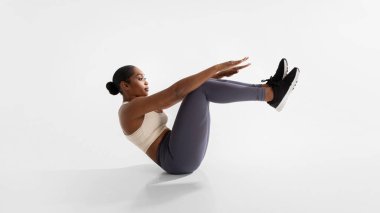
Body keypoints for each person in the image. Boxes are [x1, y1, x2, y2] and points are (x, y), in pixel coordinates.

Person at [106, 57, 300, 174]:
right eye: (140, 79)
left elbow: (183, 92)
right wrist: (215, 68)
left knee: (199, 88)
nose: (146, 82)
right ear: (125, 86)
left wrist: (217, 76)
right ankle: (270, 94)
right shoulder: (128, 110)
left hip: (179, 153)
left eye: (145, 78)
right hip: (176, 160)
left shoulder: (139, 106)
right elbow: (175, 92)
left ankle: (268, 90)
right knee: (201, 88)